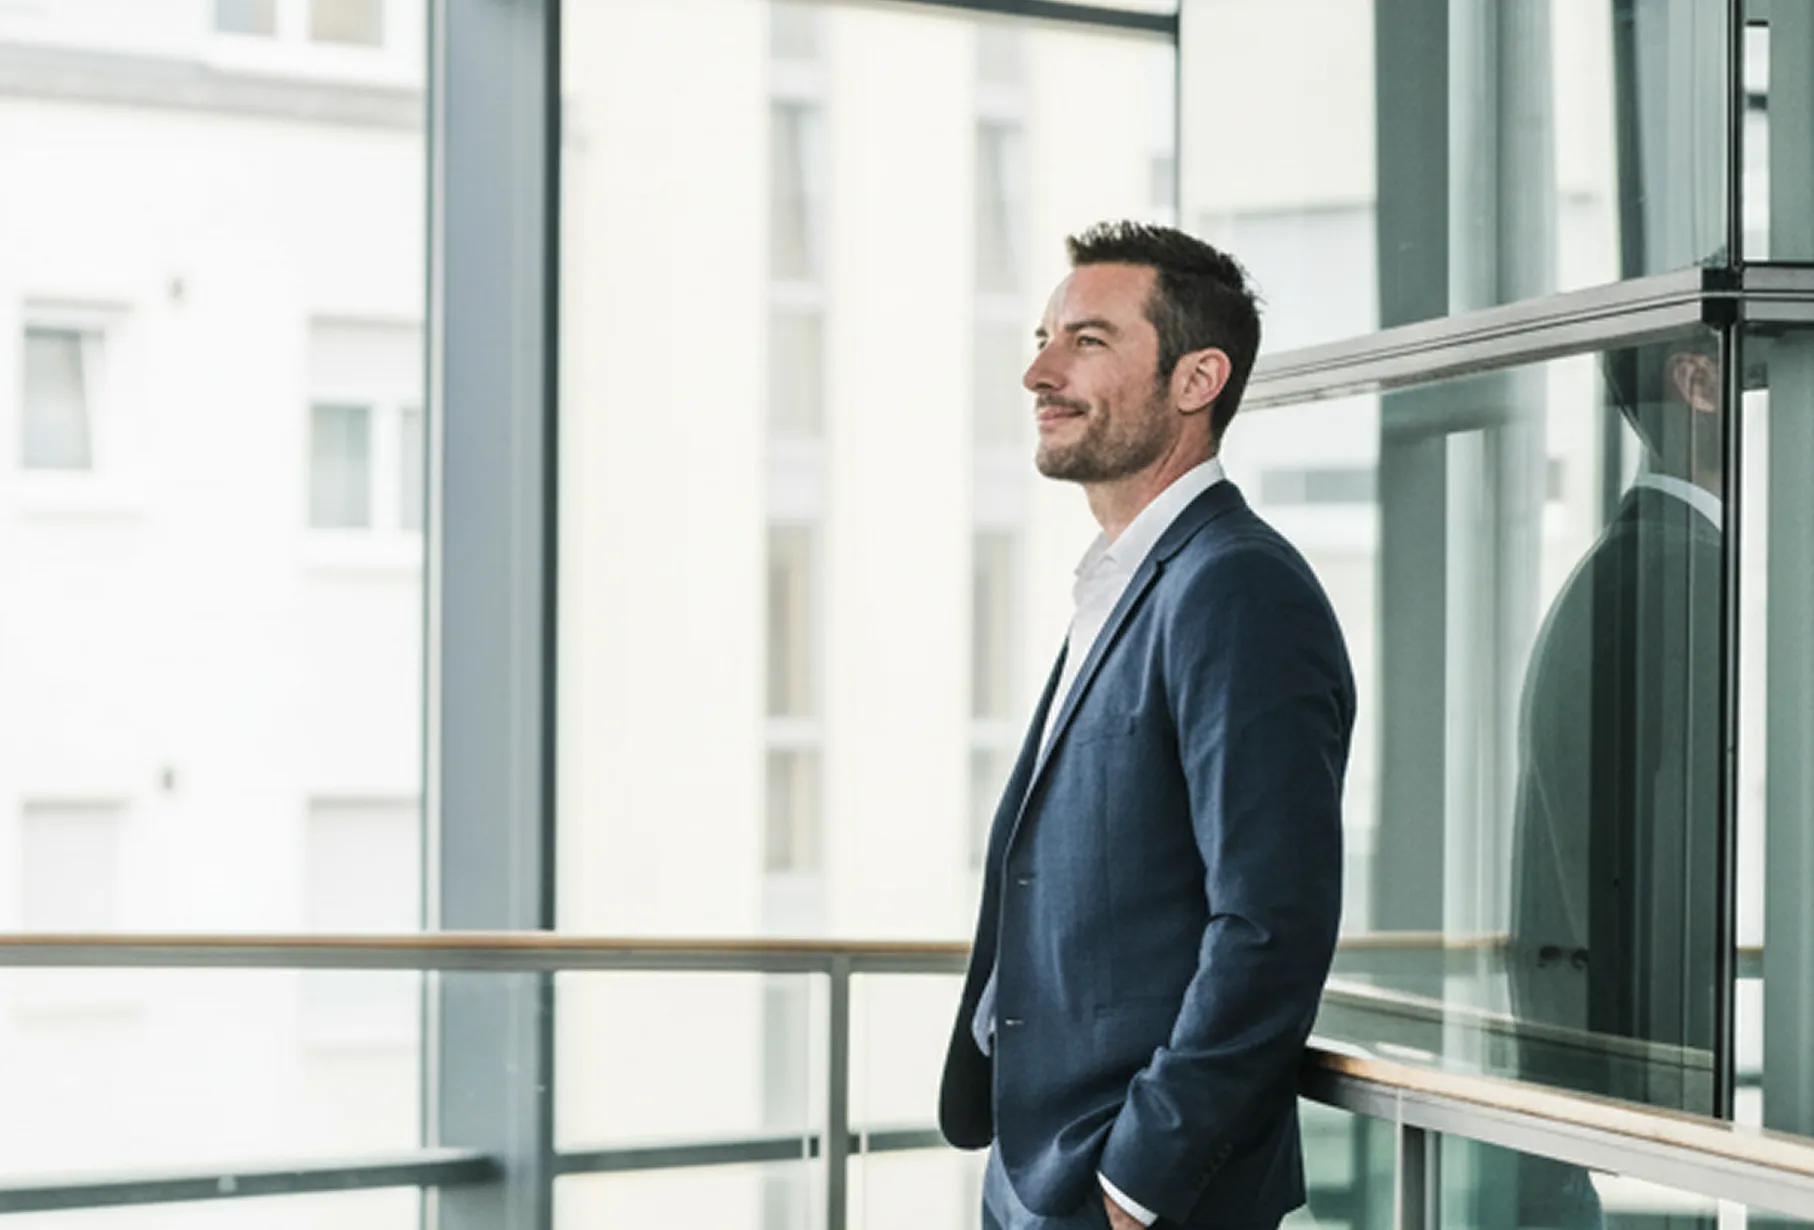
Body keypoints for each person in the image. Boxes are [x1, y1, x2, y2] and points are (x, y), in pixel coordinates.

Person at [938, 220, 1356, 1230]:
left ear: (1195, 378)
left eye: (1087, 341)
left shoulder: (1236, 588)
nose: (1039, 371)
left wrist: (1139, 1181)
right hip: (1043, 1170)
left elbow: (1269, 923)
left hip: (1138, 1192)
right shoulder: (1128, 582)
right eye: (1042, 337)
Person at [1504, 335, 1724, 1229]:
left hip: (1597, 1109)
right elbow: (1669, 867)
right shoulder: (1680, 575)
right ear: (1697, 381)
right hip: (1644, 1126)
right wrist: (1685, 1113)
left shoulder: (1627, 565)